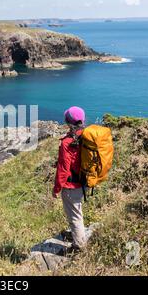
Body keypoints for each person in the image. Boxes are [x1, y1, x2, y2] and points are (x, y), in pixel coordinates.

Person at [53, 106, 87, 250]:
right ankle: (78, 235)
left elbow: (63, 169)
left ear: (67, 121)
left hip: (71, 186)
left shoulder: (67, 142)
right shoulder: (86, 136)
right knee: (77, 212)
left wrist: (56, 188)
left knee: (74, 217)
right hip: (83, 182)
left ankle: (79, 246)